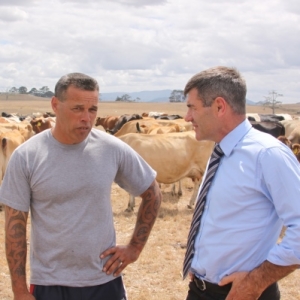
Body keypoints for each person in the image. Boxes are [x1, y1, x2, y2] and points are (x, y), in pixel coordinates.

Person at [1, 72, 162, 300]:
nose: (87, 118)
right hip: (50, 283)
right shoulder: (27, 157)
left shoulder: (112, 148)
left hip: (104, 281)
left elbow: (152, 193)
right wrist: (19, 290)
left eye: (93, 109)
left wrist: (135, 247)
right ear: (55, 105)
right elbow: (15, 227)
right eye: (78, 109)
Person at [182, 66, 300, 300]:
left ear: (219, 106)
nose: (187, 117)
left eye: (192, 108)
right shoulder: (221, 151)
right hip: (201, 290)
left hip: (243, 293)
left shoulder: (267, 155)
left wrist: (256, 282)